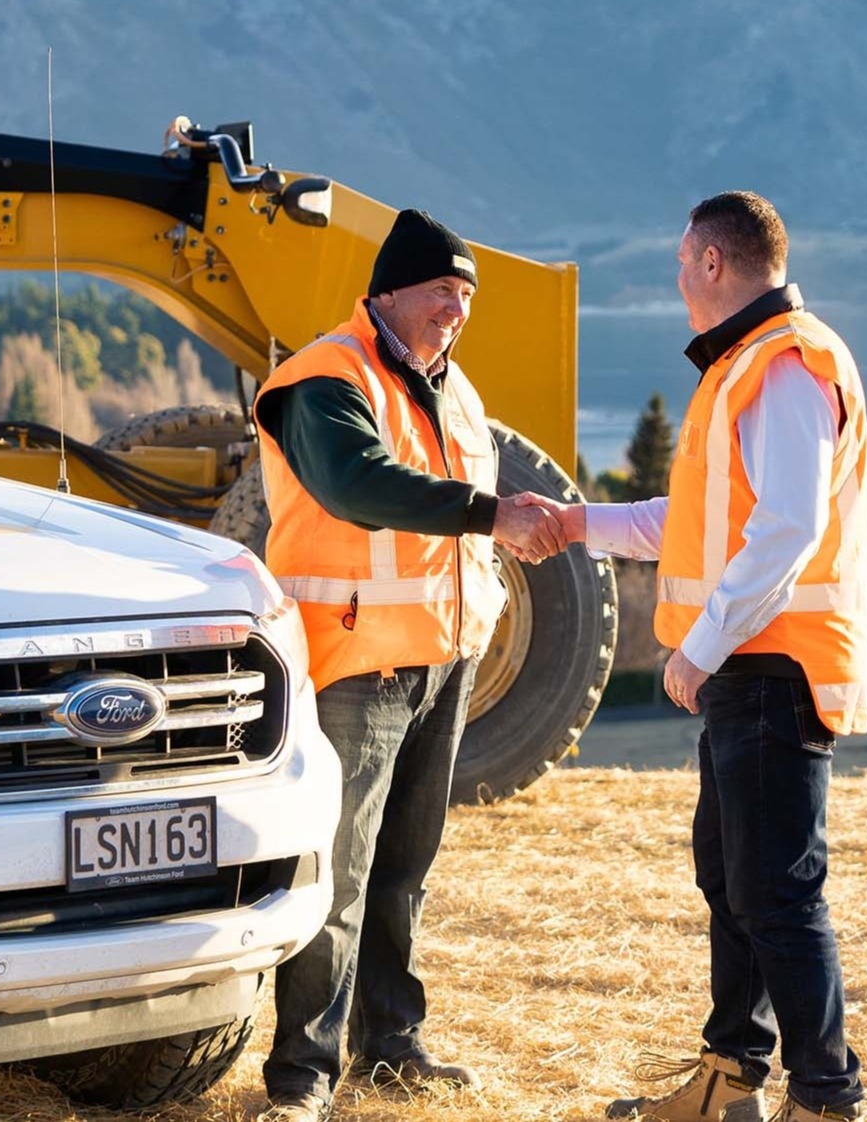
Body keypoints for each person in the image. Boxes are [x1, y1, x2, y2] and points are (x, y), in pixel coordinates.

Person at [521, 191, 867, 1122]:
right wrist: (577, 526)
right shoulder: (743, 369)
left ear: (715, 263)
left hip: (772, 667)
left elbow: (789, 526)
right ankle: (729, 1081)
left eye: (683, 263)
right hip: (748, 670)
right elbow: (701, 525)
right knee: (732, 881)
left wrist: (700, 646)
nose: (677, 280)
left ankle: (828, 1100)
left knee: (778, 894)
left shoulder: (786, 365)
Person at [251, 209, 565, 1122]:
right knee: (338, 873)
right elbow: (357, 486)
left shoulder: (451, 387)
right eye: (442, 291)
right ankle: (302, 1078)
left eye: (466, 297)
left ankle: (389, 1046)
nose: (456, 311)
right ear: (388, 290)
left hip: (444, 661)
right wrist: (491, 514)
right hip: (357, 664)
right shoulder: (324, 380)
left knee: (403, 866)